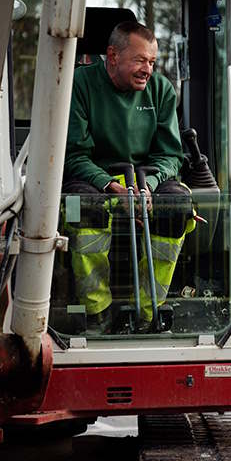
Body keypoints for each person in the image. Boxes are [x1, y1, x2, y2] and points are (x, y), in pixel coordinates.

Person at [63, 20, 194, 332]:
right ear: (112, 55)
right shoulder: (78, 84)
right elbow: (73, 156)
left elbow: (170, 156)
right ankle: (97, 311)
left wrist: (146, 187)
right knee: (84, 205)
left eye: (151, 62)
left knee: (176, 204)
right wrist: (111, 187)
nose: (147, 70)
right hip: (93, 180)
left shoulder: (161, 90)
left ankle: (150, 311)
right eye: (139, 60)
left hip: (143, 180)